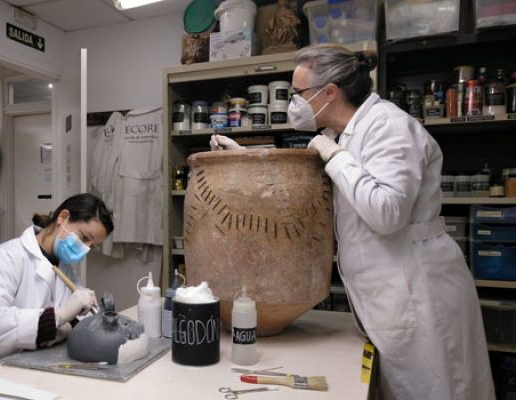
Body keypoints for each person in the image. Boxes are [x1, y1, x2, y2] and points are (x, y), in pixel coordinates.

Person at [211, 44, 494, 399]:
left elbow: (388, 212)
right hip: (385, 293)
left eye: (298, 93)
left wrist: (333, 155)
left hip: (417, 291)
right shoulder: (343, 135)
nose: (294, 103)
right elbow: (302, 186)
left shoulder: (388, 127)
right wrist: (245, 158)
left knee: (436, 389)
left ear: (329, 93)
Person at [0, 193, 113, 384]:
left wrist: (69, 325)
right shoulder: (5, 258)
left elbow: (77, 321)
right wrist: (57, 317)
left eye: (92, 246)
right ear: (63, 218)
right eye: (84, 238)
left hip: (17, 372)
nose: (85, 249)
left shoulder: (65, 268)